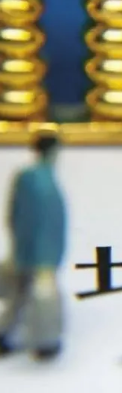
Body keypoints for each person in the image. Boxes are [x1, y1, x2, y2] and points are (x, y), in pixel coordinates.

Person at [0, 131, 67, 360]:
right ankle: (45, 341)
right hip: (38, 249)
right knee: (41, 295)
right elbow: (22, 215)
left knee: (20, 295)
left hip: (34, 248)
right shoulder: (35, 178)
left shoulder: (38, 177)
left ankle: (7, 333)